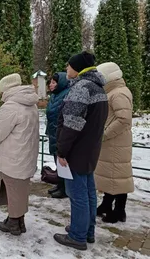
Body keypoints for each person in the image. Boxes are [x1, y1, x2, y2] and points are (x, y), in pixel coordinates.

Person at [53, 51, 108, 251]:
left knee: (78, 195)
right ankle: (87, 231)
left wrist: (62, 151)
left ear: (77, 68)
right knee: (88, 192)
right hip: (90, 149)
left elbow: (71, 125)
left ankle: (77, 236)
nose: (66, 69)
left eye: (68, 66)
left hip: (76, 151)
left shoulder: (81, 88)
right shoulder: (98, 88)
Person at [0, 73, 39, 236]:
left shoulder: (11, 106)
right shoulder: (30, 103)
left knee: (12, 190)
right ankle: (19, 221)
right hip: (26, 155)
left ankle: (13, 223)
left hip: (12, 156)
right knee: (21, 190)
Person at [95, 62, 134, 223]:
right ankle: (106, 203)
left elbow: (124, 119)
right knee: (111, 176)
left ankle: (119, 211)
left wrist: (105, 134)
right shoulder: (114, 92)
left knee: (118, 177)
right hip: (112, 143)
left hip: (116, 142)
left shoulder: (118, 94)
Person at [45, 72, 69, 198]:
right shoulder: (55, 96)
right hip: (53, 132)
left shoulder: (66, 94)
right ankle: (60, 184)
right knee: (56, 160)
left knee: (62, 160)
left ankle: (65, 188)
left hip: (60, 132)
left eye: (54, 83)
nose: (51, 85)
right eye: (51, 82)